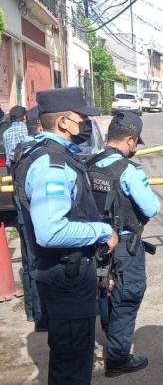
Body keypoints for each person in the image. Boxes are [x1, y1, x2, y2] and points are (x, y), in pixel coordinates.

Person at [12, 87, 118, 384]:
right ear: (63, 122)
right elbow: (51, 230)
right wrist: (101, 231)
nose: (86, 123)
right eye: (81, 117)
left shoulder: (38, 151)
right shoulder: (52, 165)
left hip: (62, 274)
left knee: (68, 359)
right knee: (72, 364)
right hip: (66, 277)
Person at [86, 111, 160, 377]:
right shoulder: (129, 170)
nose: (136, 148)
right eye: (136, 142)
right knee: (127, 298)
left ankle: (111, 335)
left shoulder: (89, 163)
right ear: (130, 140)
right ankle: (118, 359)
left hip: (95, 242)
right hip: (125, 247)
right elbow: (151, 208)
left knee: (103, 289)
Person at [11, 105, 46, 332]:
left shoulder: (22, 148)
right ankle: (41, 317)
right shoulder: (40, 152)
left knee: (28, 262)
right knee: (38, 263)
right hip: (34, 214)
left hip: (21, 210)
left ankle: (32, 311)